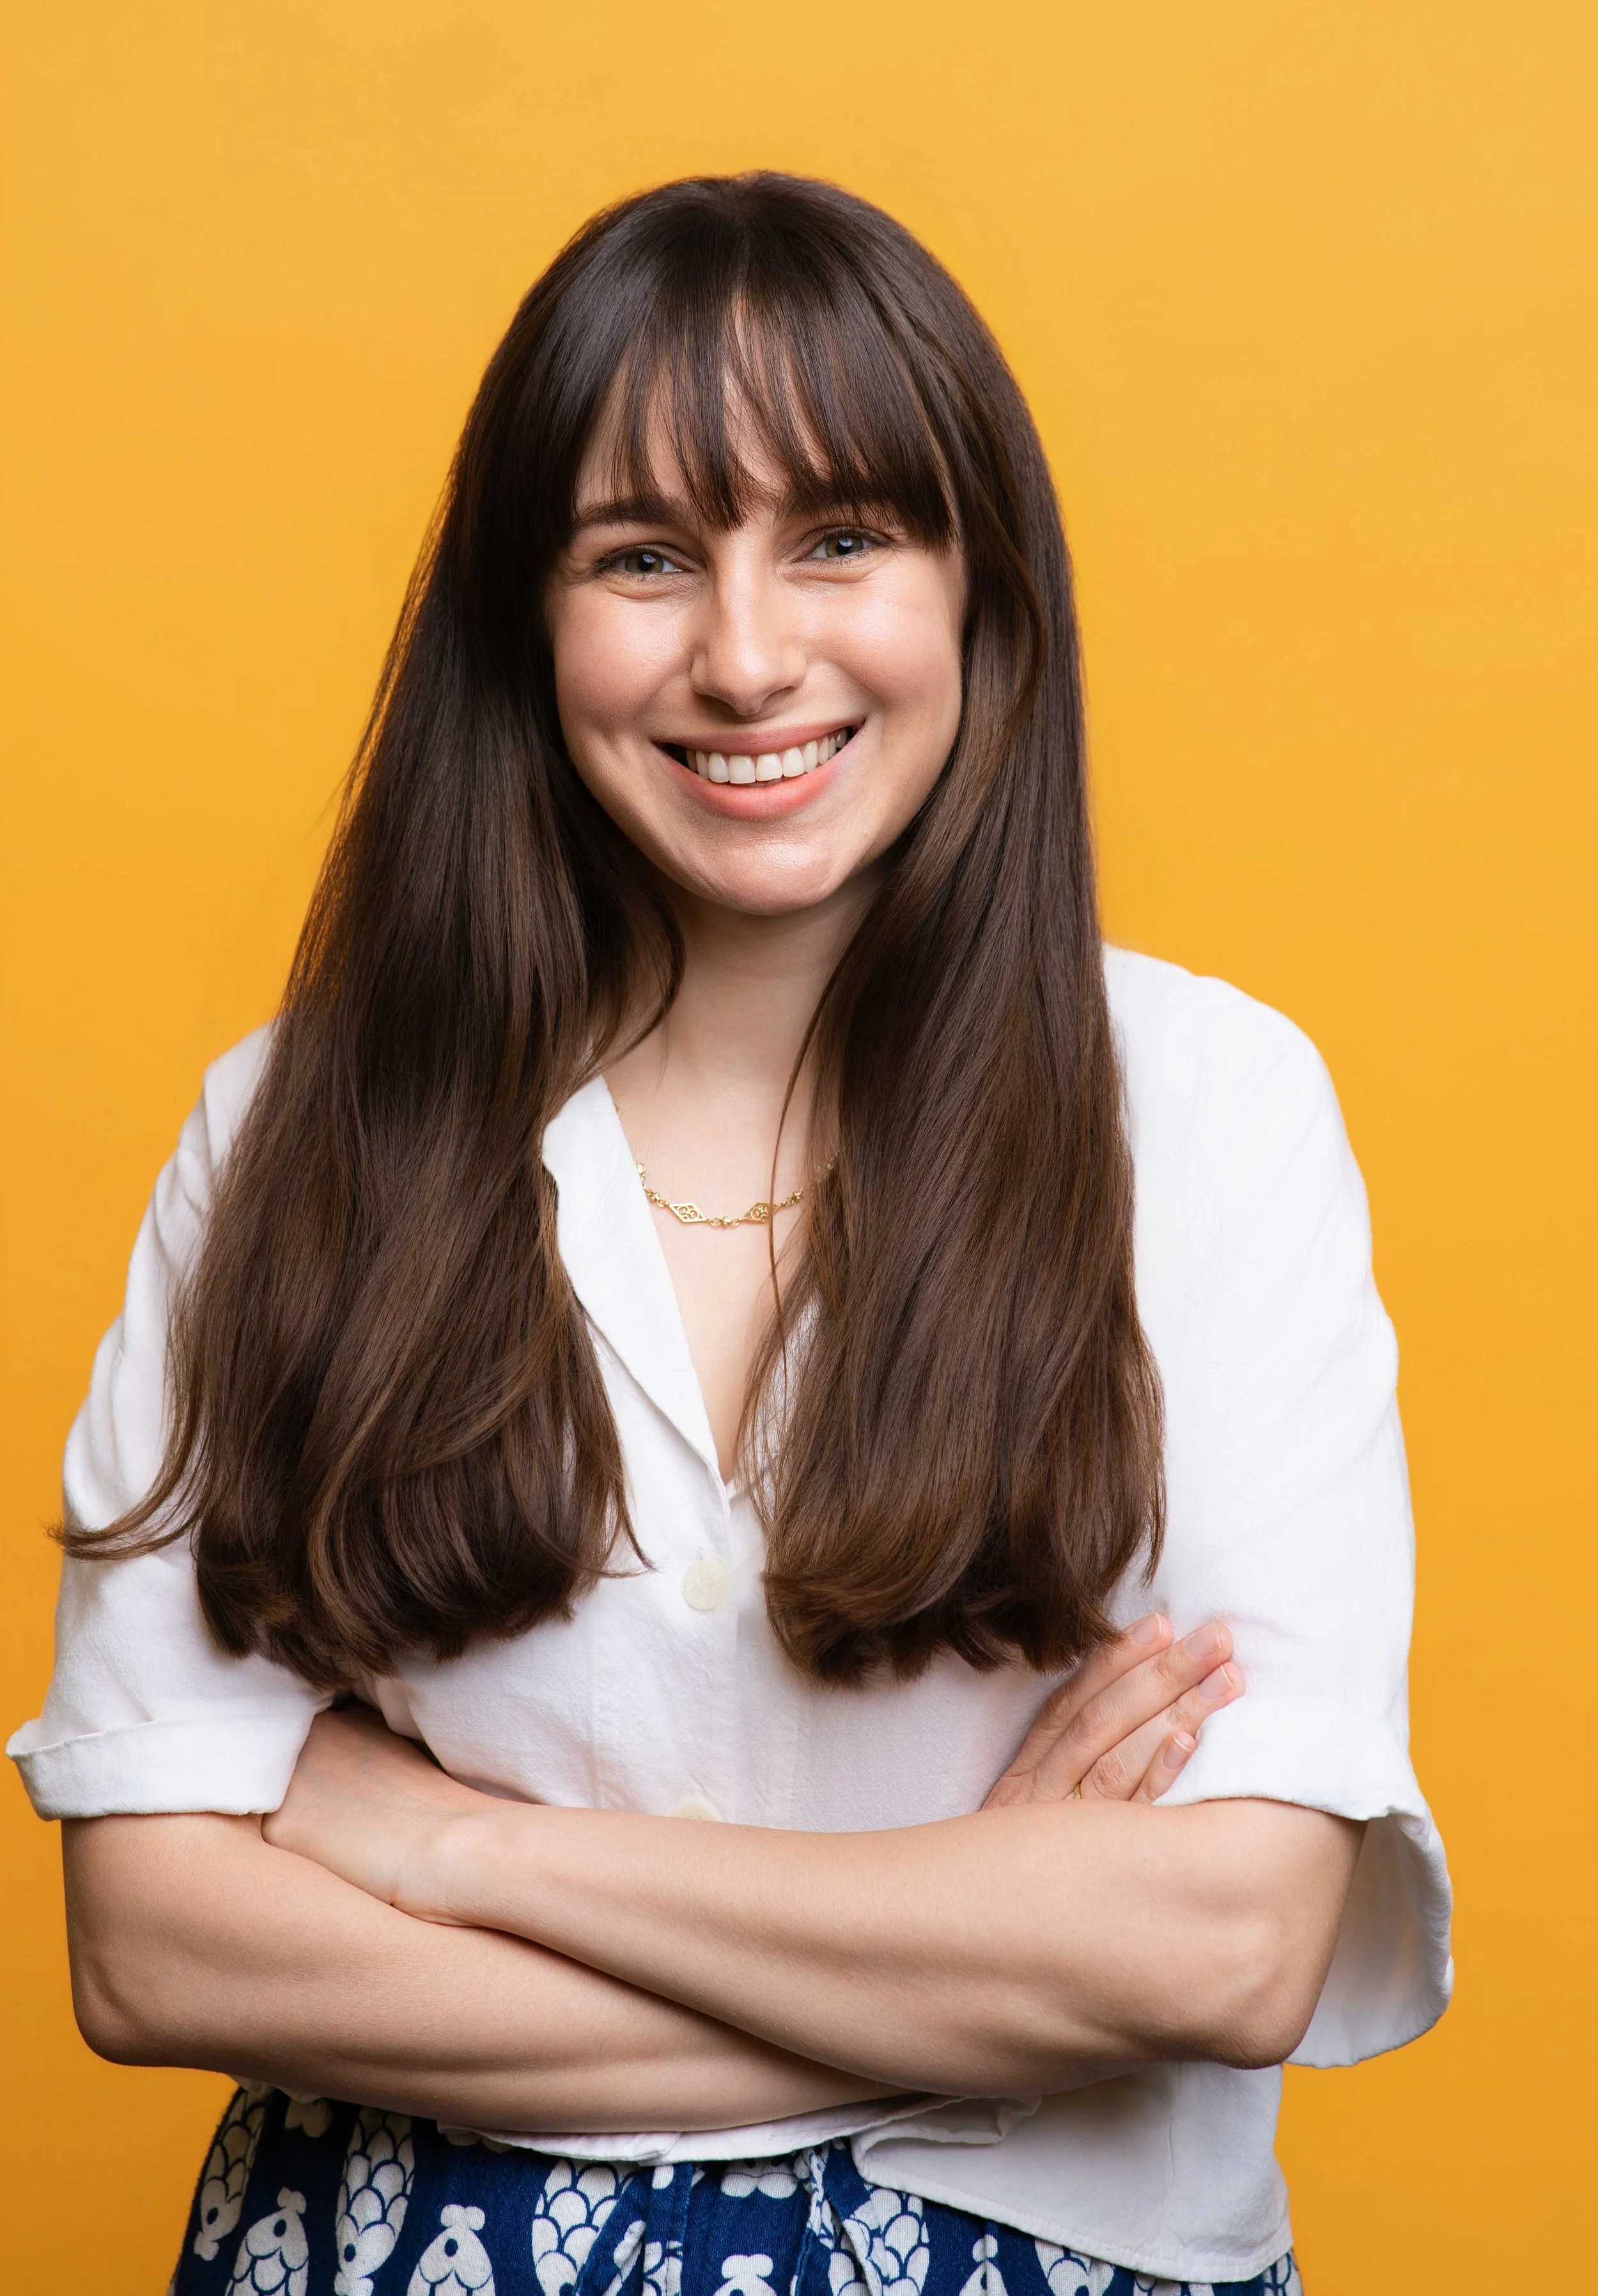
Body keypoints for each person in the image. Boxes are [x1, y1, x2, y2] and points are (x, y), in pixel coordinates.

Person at [8, 173, 1450, 2296]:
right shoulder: (295, 1125)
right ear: (531, 622)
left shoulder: (1211, 1112)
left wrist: (454, 1846)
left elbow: (1228, 1939)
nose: (748, 652)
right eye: (644, 557)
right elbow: (155, 1937)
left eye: (841, 537)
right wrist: (973, 1941)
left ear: (981, 588)